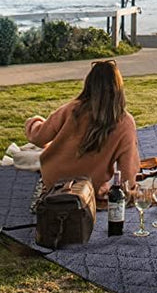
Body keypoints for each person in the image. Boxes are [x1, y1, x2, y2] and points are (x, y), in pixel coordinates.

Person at [25, 60, 140, 197]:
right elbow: (128, 171)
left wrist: (34, 122)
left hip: (53, 182)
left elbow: (39, 137)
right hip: (88, 189)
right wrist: (130, 190)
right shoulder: (125, 123)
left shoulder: (72, 109)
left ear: (89, 84)